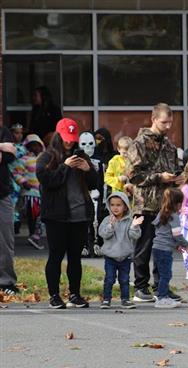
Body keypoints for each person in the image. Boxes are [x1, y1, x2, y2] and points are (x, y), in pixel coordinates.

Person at [36, 118, 98, 309]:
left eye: (72, 138)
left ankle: (75, 294)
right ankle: (54, 295)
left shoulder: (81, 156)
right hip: (57, 216)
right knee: (55, 256)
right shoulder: (47, 157)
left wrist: (89, 170)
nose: (69, 141)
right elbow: (47, 180)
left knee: (75, 257)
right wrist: (65, 166)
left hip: (79, 215)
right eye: (66, 138)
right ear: (58, 135)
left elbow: (95, 184)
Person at [127, 103, 182, 303]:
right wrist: (160, 177)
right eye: (164, 122)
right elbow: (133, 175)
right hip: (145, 203)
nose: (168, 126)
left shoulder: (169, 146)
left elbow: (175, 170)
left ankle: (161, 286)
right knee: (144, 246)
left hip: (165, 204)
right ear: (153, 119)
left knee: (163, 248)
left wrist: (178, 178)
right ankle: (140, 287)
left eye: (170, 122)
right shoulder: (139, 143)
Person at [98, 192, 144, 309]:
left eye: (119, 205)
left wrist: (134, 226)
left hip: (125, 256)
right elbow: (102, 234)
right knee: (109, 279)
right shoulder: (107, 219)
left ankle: (125, 299)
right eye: (112, 205)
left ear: (125, 206)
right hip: (110, 257)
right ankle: (106, 299)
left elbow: (134, 236)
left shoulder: (129, 221)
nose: (115, 207)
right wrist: (111, 226)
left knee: (124, 279)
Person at [152, 188, 188, 308]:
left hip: (156, 248)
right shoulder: (174, 217)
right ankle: (162, 298)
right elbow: (177, 234)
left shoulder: (161, 213)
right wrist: (185, 244)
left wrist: (176, 245)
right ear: (178, 204)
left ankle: (161, 294)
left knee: (161, 273)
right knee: (166, 275)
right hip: (164, 250)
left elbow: (163, 232)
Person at [15, 134, 45, 250]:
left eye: (37, 145)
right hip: (30, 194)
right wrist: (23, 182)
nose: (35, 148)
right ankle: (34, 237)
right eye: (32, 146)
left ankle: (34, 236)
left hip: (40, 194)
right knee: (34, 217)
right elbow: (16, 173)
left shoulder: (43, 158)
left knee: (38, 217)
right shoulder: (23, 160)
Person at [0, 139, 19, 296]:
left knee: (6, 240)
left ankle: (6, 282)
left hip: (2, 195)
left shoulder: (4, 132)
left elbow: (10, 156)